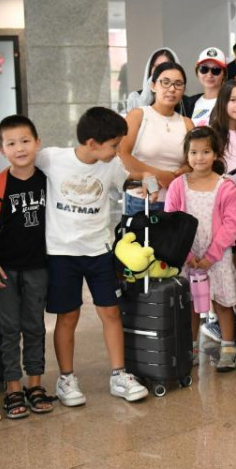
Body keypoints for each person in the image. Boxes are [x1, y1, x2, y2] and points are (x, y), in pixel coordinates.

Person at [37, 106, 152, 407]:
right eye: (114, 145)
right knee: (68, 316)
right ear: (92, 143)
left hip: (99, 250)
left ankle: (119, 374)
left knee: (110, 312)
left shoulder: (111, 165)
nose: (118, 151)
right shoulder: (52, 159)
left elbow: (127, 182)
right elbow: (20, 166)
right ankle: (66, 378)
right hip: (62, 253)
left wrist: (146, 184)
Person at [0, 115, 53, 420]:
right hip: (4, 268)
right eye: (11, 143)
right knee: (8, 328)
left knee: (35, 325)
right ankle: (12, 387)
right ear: (2, 149)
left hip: (39, 266)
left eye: (25, 141)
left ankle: (35, 384)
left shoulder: (47, 180)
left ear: (37, 143)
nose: (20, 148)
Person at [164, 126, 236, 372]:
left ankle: (228, 347)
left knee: (222, 301)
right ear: (187, 155)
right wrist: (187, 255)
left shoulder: (226, 186)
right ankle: (191, 347)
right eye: (194, 152)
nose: (199, 158)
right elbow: (171, 222)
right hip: (187, 255)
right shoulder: (178, 186)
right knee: (190, 303)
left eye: (206, 152)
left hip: (217, 255)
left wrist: (211, 255)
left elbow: (232, 224)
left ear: (216, 154)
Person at [119, 61, 194, 215]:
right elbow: (122, 155)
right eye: (165, 82)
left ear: (183, 90)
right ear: (153, 86)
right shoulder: (138, 115)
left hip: (177, 202)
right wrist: (161, 176)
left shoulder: (187, 123)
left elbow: (194, 161)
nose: (172, 89)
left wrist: (185, 170)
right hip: (142, 201)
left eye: (178, 84)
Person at [125, 48, 185, 115]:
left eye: (166, 66)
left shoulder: (185, 102)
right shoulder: (135, 98)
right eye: (157, 66)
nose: (161, 70)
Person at [183, 47, 227, 126]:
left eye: (216, 70)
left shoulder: (230, 102)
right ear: (197, 72)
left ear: (224, 74)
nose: (209, 75)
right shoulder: (188, 103)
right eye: (204, 69)